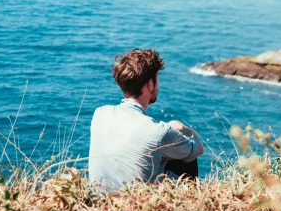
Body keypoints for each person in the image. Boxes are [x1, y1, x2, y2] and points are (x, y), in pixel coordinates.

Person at [87, 48, 204, 190]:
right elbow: (198, 149)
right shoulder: (159, 132)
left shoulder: (100, 114)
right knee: (183, 154)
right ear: (150, 84)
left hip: (99, 200)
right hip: (137, 205)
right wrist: (181, 128)